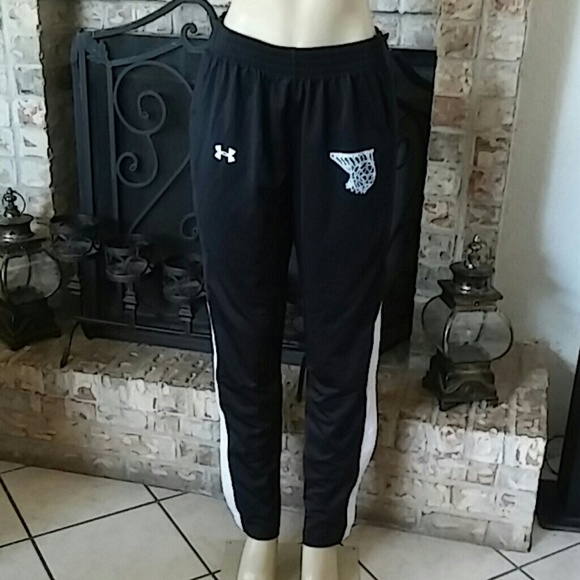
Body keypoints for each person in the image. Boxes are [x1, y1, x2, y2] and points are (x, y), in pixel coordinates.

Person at [189, 1, 398, 578]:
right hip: (240, 81)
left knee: (344, 338)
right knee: (241, 333)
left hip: (349, 83)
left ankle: (322, 540)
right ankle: (258, 530)